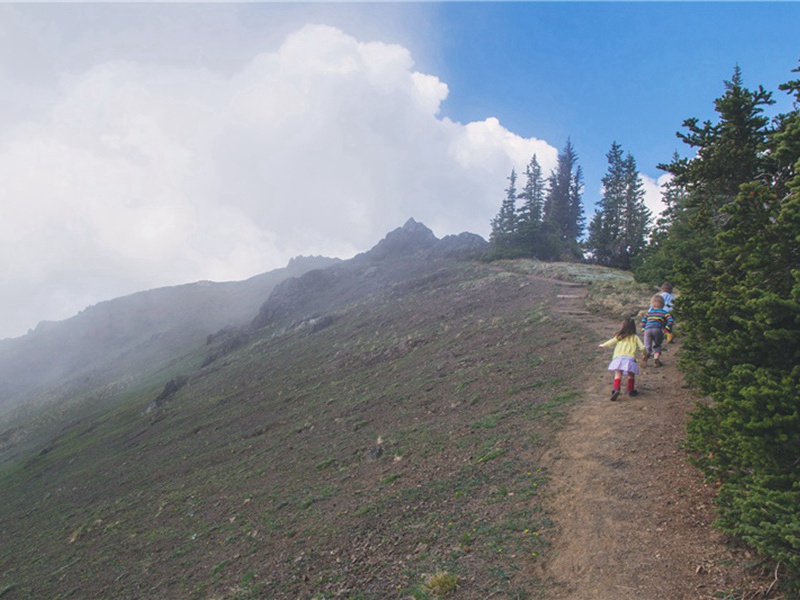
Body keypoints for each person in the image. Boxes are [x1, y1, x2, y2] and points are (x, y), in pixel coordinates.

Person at [598, 317, 646, 401]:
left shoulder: (619, 336)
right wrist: (645, 354)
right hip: (630, 359)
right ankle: (630, 390)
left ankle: (616, 389)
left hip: (618, 358)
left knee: (618, 374)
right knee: (631, 374)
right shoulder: (635, 337)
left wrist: (603, 345)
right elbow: (642, 347)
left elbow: (611, 341)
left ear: (623, 326)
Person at [641, 294, 674, 367]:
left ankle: (645, 358)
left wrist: (643, 329)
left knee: (647, 346)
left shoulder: (649, 313)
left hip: (647, 330)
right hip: (658, 330)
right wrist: (666, 329)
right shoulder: (665, 312)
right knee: (657, 345)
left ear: (652, 304)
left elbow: (643, 321)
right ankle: (656, 359)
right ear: (663, 304)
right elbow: (670, 320)